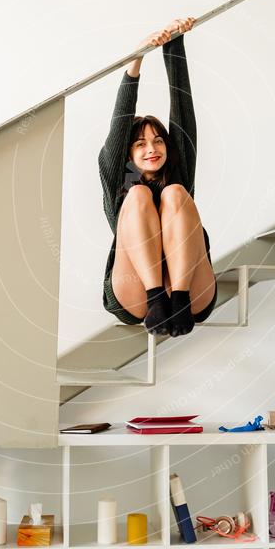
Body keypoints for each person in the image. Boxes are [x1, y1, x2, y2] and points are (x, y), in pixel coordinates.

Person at [98, 17, 218, 337]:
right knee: (138, 195)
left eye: (158, 140)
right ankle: (157, 298)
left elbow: (183, 112)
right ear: (127, 153)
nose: (152, 149)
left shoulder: (177, 172)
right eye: (140, 144)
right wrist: (137, 58)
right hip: (135, 291)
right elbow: (121, 121)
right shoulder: (117, 180)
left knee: (175, 193)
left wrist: (173, 45)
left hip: (189, 290)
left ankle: (175, 298)